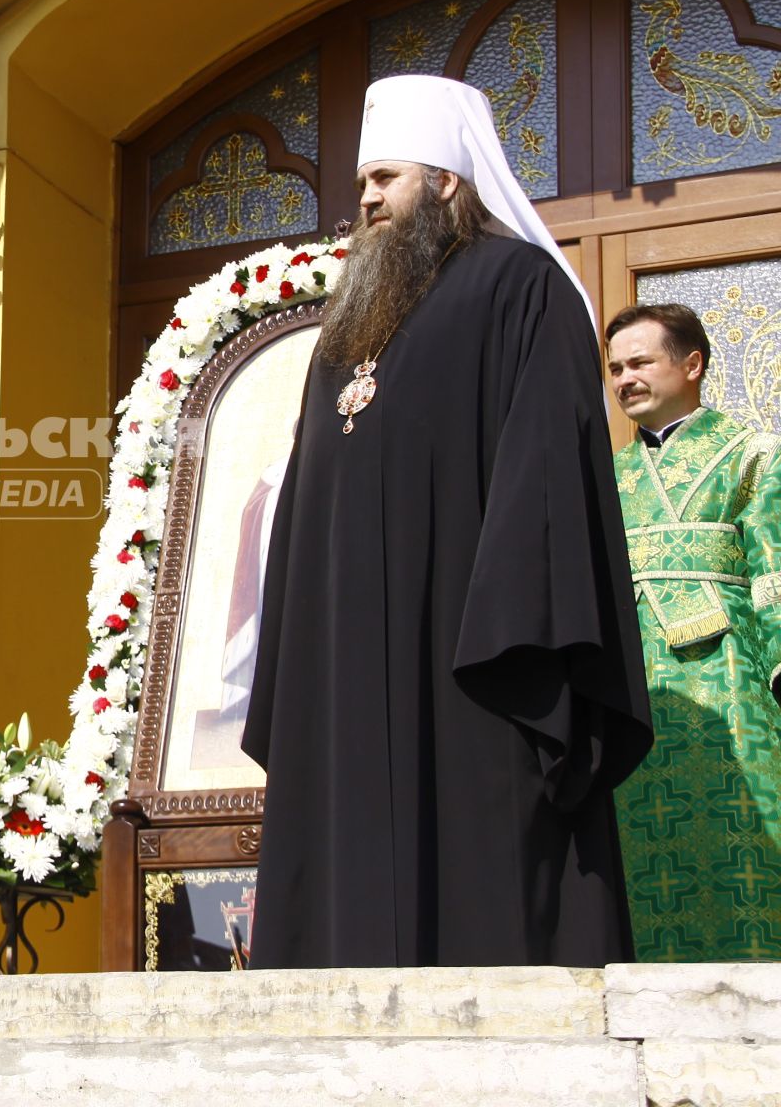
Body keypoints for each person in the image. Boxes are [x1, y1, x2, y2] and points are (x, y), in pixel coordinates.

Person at [242, 74, 653, 968]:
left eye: (386, 177)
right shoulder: (352, 323)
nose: (367, 199)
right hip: (347, 664)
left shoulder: (523, 287)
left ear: (449, 182)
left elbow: (546, 470)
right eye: (361, 185)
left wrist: (513, 632)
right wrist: (300, 647)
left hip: (469, 656)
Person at [606, 300, 781, 961]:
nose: (625, 379)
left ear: (692, 363)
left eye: (640, 362)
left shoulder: (752, 455)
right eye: (616, 368)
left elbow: (775, 571)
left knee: (745, 842)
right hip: (629, 691)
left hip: (732, 687)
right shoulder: (604, 478)